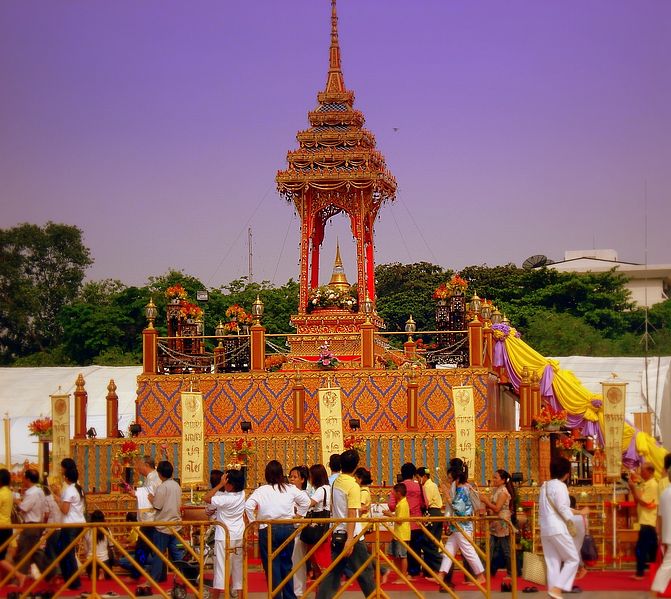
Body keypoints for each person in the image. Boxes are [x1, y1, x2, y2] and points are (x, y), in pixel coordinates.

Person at [245, 460, 310, 599]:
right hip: (287, 529)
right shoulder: (290, 488)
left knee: (272, 566)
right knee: (286, 564)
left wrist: (253, 523)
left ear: (267, 474)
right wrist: (298, 517)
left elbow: (248, 506)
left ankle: (276, 596)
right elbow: (306, 501)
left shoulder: (261, 490)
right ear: (282, 474)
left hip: (268, 529)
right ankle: (289, 596)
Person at [316, 449, 376, 599]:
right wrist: (350, 539)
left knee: (334, 572)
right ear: (356, 466)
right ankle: (374, 596)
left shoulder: (336, 482)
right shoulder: (353, 486)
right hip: (352, 534)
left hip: (338, 532)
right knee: (365, 571)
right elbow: (351, 513)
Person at [539, 457, 587, 599]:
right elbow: (563, 509)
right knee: (573, 559)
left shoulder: (544, 486)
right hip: (557, 528)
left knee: (553, 562)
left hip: (545, 529)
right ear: (567, 474)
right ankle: (557, 589)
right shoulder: (561, 486)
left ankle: (554, 593)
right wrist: (578, 515)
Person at [437, 463, 486, 591]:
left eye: (450, 476)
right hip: (457, 526)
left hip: (462, 526)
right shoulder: (461, 487)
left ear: (455, 476)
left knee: (468, 551)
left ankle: (480, 575)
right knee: (448, 551)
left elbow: (459, 509)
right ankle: (441, 575)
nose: (449, 478)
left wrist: (447, 495)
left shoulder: (463, 489)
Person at [204, 469, 246, 599]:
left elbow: (206, 498)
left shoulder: (224, 499)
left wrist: (219, 485)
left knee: (221, 569)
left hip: (224, 536)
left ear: (230, 484)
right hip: (239, 534)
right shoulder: (242, 494)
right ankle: (240, 596)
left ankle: (216, 597)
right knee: (238, 567)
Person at [0, 469, 46, 586]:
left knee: (22, 552)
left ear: (28, 479)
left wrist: (17, 502)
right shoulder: (39, 491)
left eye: (24, 478)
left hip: (27, 524)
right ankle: (51, 570)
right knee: (34, 552)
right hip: (32, 524)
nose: (22, 480)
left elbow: (24, 508)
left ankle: (18, 577)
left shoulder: (30, 493)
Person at [147, 460, 184, 584]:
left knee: (158, 554)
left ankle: (155, 578)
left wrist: (151, 499)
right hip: (176, 525)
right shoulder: (176, 485)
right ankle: (190, 577)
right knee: (179, 554)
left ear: (159, 474)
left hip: (163, 526)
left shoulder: (162, 487)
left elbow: (157, 506)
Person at [51, 461, 86, 589]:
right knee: (64, 550)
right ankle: (69, 579)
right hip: (78, 523)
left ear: (66, 477)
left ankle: (73, 581)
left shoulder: (70, 490)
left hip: (70, 525)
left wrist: (57, 498)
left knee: (67, 552)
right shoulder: (78, 488)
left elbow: (65, 510)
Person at [387, 462, 426, 577]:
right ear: (414, 474)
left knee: (403, 551)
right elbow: (425, 503)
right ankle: (415, 571)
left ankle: (405, 572)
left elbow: (391, 506)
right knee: (416, 549)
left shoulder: (398, 488)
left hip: (403, 524)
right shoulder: (419, 486)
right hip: (417, 522)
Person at [478, 469, 515, 576]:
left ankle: (511, 572)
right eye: (493, 477)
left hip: (502, 521)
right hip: (495, 521)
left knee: (506, 548)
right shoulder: (497, 490)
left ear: (503, 480)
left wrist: (486, 501)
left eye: (496, 477)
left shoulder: (503, 492)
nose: (493, 479)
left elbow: (497, 508)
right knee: (490, 547)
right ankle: (486, 572)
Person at [628, 462, 658, 580]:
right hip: (645, 520)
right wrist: (634, 489)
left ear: (650, 472)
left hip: (649, 520)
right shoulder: (646, 484)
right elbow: (637, 500)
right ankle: (648, 572)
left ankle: (640, 573)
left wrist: (633, 488)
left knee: (642, 548)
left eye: (643, 470)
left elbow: (644, 502)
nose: (640, 473)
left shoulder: (652, 485)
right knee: (648, 548)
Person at [417, 466, 444, 575]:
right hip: (438, 513)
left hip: (431, 514)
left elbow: (426, 503)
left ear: (423, 476)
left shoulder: (426, 487)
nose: (418, 480)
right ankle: (429, 570)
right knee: (434, 542)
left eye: (418, 478)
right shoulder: (433, 485)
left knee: (427, 542)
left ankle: (440, 566)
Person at [288, 465, 310, 599]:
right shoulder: (287, 493)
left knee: (297, 563)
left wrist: (297, 516)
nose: (291, 480)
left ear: (302, 479)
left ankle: (299, 592)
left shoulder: (303, 495)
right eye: (290, 477)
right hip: (287, 531)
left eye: (295, 477)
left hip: (298, 531)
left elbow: (305, 508)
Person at [651, 453, 671, 595]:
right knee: (667, 565)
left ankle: (656, 591)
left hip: (667, 533)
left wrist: (659, 533)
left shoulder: (665, 492)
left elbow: (660, 515)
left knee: (667, 564)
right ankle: (655, 591)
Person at [383, 483, 411, 583]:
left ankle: (403, 576)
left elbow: (400, 520)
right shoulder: (401, 503)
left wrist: (389, 514)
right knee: (395, 555)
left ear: (398, 493)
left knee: (402, 555)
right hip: (398, 533)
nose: (393, 494)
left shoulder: (403, 504)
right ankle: (402, 573)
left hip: (402, 534)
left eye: (394, 492)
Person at [82, 509, 113, 580]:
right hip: (104, 560)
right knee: (108, 576)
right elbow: (111, 545)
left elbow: (86, 550)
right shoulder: (107, 530)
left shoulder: (87, 531)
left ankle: (93, 573)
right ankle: (103, 572)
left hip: (91, 559)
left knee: (92, 578)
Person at [0, 468, 12, 562]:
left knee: (0, 558)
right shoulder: (9, 492)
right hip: (7, 526)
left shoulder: (1, 494)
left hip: (1, 527)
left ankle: (20, 576)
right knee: (2, 556)